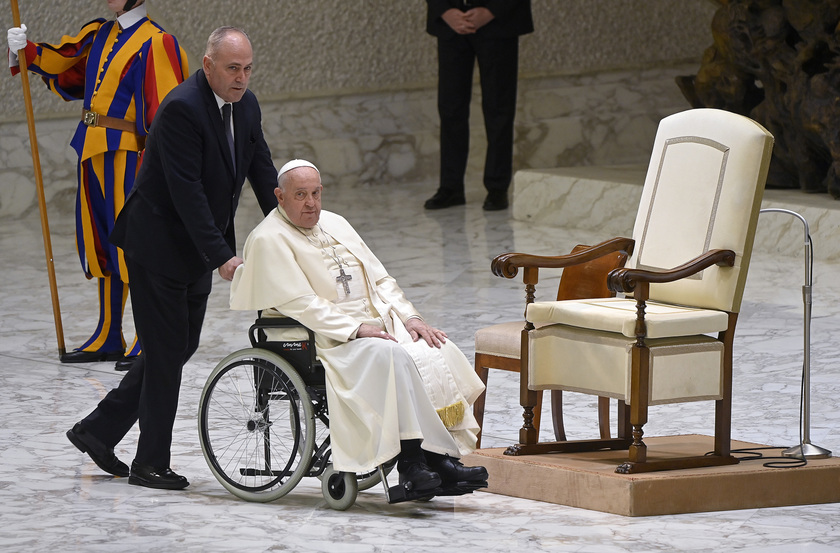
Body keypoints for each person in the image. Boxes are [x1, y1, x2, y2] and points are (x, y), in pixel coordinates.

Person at [65, 26, 278, 490]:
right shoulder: (182, 108)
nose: (241, 78)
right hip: (158, 245)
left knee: (178, 347)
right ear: (208, 66)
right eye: (232, 68)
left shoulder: (247, 105)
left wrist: (293, 226)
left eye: (247, 69)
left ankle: (97, 431)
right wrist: (222, 256)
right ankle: (149, 463)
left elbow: (261, 169)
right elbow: (188, 194)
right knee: (164, 355)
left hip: (194, 249)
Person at [230, 159, 489, 496]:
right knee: (393, 356)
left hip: (376, 324)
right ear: (279, 196)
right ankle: (411, 465)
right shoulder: (268, 238)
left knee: (433, 347)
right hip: (326, 339)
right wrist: (355, 329)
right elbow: (301, 303)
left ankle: (437, 456)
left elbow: (380, 278)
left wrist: (411, 318)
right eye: (300, 195)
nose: (311, 204)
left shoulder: (335, 223)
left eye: (315, 193)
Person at [7, 1, 189, 370]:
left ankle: (146, 336)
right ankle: (108, 334)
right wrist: (25, 50)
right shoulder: (101, 33)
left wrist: (164, 168)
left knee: (135, 245)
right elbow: (67, 69)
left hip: (131, 155)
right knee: (102, 242)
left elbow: (167, 112)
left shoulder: (157, 41)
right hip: (92, 149)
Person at [423, 0, 533, 211]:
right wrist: (445, 11)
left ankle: (497, 187)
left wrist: (493, 10)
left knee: (498, 107)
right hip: (451, 24)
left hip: (498, 21)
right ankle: (451, 187)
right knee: (450, 107)